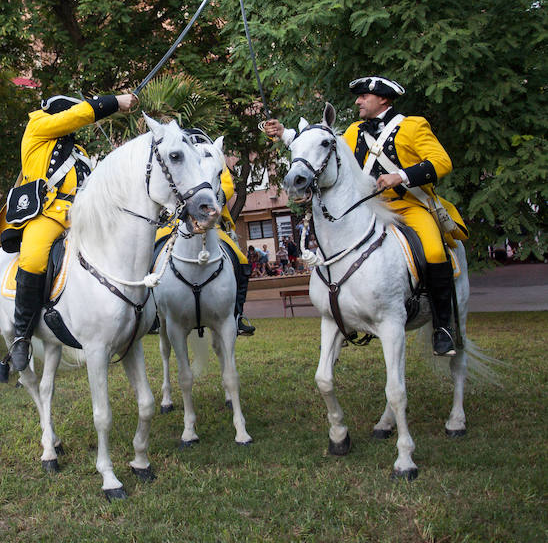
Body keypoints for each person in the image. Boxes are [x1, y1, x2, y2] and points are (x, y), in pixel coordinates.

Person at [264, 75, 468, 356]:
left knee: (434, 250)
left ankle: (443, 328)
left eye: (363, 97)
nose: (358, 101)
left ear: (383, 99)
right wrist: (284, 133)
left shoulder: (413, 126)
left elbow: (442, 162)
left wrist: (400, 176)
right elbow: (319, 144)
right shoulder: (354, 131)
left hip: (410, 207)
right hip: (370, 208)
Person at [6, 92, 139, 373]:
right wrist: (115, 102)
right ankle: (21, 336)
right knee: (32, 259)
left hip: (82, 217)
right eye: (71, 116)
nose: (75, 123)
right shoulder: (37, 127)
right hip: (48, 215)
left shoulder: (80, 152)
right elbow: (76, 116)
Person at [153, 128, 256, 336]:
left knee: (241, 259)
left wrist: (207, 202)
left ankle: (237, 314)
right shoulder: (179, 157)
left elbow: (227, 186)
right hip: (174, 222)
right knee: (151, 253)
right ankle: (154, 314)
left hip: (213, 223)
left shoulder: (214, 155)